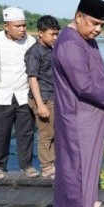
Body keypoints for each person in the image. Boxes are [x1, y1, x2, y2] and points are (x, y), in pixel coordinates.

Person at [52, 0, 104, 207]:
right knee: (77, 167)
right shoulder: (70, 43)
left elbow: (98, 74)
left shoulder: (86, 38)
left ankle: (88, 203)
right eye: (93, 23)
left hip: (94, 113)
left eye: (102, 25)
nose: (97, 29)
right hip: (78, 117)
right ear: (78, 16)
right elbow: (83, 85)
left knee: (91, 164)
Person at [0, 7, 40, 180]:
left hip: (23, 95)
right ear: (6, 26)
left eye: (24, 25)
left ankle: (27, 165)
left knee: (26, 132)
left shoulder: (30, 41)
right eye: (18, 26)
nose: (22, 29)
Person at [25, 15, 60, 179]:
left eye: (56, 34)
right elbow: (32, 78)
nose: (55, 37)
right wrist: (40, 105)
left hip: (52, 97)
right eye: (52, 34)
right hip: (43, 98)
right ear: (40, 33)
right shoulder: (34, 52)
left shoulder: (50, 49)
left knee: (53, 132)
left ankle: (52, 164)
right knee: (46, 134)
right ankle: (46, 167)